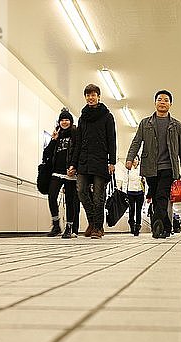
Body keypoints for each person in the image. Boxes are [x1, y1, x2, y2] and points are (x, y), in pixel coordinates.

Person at [126, 90, 181, 239]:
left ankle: (157, 224)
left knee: (162, 195)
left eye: (166, 100)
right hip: (150, 166)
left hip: (168, 166)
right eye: (160, 99)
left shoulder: (177, 125)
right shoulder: (145, 123)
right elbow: (136, 141)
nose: (162, 102)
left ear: (170, 104)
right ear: (155, 103)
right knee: (155, 195)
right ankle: (166, 226)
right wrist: (130, 158)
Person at [68, 84, 116, 239]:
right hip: (83, 161)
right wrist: (73, 164)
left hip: (100, 161)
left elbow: (112, 140)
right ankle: (92, 221)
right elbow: (78, 142)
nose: (90, 98)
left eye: (93, 95)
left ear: (99, 97)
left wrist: (112, 161)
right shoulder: (82, 118)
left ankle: (98, 228)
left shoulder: (107, 116)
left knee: (98, 197)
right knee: (81, 191)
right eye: (88, 95)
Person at [43, 108, 80, 238]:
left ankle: (69, 227)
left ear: (71, 121)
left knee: (70, 201)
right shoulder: (57, 135)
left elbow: (77, 151)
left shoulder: (75, 133)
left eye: (67, 120)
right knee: (52, 196)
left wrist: (74, 166)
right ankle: (56, 224)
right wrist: (53, 140)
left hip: (70, 172)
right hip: (56, 172)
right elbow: (46, 153)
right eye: (62, 120)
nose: (64, 122)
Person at [123, 156, 145, 236]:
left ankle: (138, 226)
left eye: (136, 159)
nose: (134, 161)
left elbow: (145, 182)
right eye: (133, 159)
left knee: (138, 210)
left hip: (140, 192)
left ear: (139, 161)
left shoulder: (141, 169)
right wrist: (124, 193)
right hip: (130, 193)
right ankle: (132, 225)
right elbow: (125, 181)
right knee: (131, 210)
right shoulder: (128, 170)